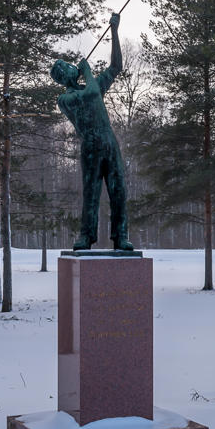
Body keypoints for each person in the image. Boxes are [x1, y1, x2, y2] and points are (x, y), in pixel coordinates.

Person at [51, 13, 133, 251]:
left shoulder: (91, 86)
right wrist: (87, 71)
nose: (71, 66)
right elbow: (92, 94)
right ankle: (86, 236)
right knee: (92, 194)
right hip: (91, 147)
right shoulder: (66, 99)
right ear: (62, 78)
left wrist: (114, 32)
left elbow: (116, 67)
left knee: (119, 191)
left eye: (69, 64)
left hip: (110, 142)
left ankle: (121, 236)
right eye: (65, 67)